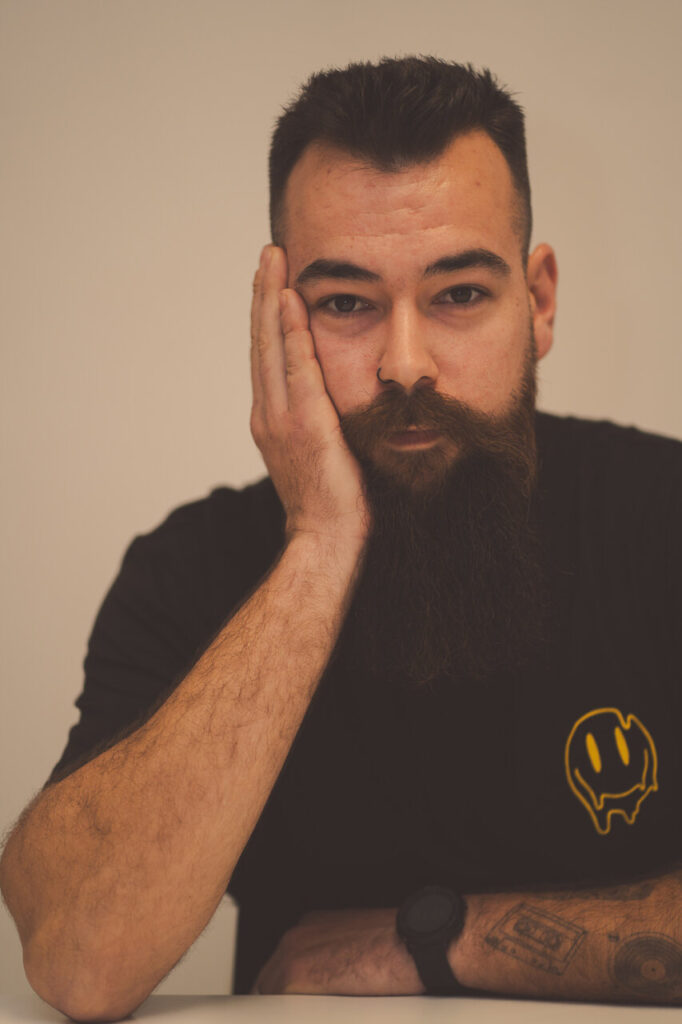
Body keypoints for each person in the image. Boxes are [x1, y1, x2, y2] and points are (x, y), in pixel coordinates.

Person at [1, 56, 681, 1020]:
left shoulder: (663, 518)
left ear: (540, 301)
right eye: (347, 303)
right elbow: (77, 957)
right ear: (277, 317)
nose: (406, 366)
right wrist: (320, 541)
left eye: (459, 295)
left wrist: (434, 943)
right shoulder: (190, 567)